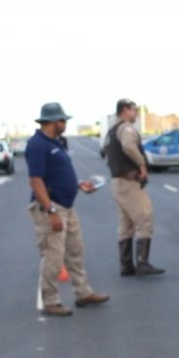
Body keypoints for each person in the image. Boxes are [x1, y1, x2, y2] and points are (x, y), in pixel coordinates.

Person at [24, 102, 109, 317]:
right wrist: (51, 211)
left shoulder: (57, 142)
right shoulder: (38, 145)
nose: (65, 124)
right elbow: (36, 180)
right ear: (53, 121)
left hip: (67, 206)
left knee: (75, 251)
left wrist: (78, 184)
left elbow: (58, 173)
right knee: (53, 256)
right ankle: (51, 301)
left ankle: (83, 293)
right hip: (52, 208)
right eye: (63, 120)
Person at [104, 98, 164, 276]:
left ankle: (126, 264)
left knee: (126, 223)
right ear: (125, 111)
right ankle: (142, 262)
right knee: (144, 218)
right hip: (129, 180)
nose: (136, 113)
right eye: (134, 110)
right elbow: (129, 146)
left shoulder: (112, 131)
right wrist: (142, 165)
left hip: (117, 181)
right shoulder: (126, 129)